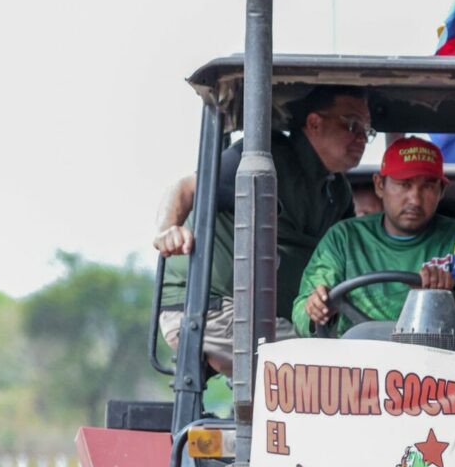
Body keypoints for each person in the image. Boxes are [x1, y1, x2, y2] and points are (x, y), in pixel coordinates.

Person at [154, 86, 373, 376]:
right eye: (351, 124)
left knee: (362, 355)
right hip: (209, 310)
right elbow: (184, 189)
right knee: (328, 373)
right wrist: (167, 230)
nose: (361, 138)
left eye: (367, 131)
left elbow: (343, 262)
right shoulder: (265, 157)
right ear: (314, 123)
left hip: (268, 318)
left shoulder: (338, 191)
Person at [293, 136, 455, 336]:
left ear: (441, 191)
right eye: (404, 185)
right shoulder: (343, 237)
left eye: (428, 186)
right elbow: (303, 309)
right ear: (379, 185)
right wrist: (315, 309)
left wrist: (448, 292)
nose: (415, 199)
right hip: (355, 362)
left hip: (437, 359)